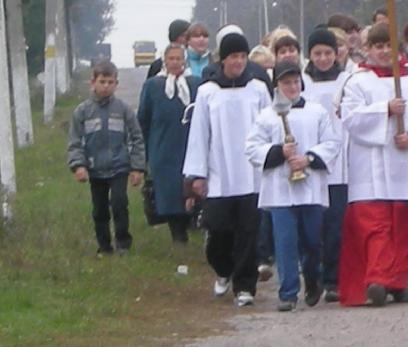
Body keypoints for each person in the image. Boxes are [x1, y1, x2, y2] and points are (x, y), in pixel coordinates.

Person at [338, 23, 408, 306]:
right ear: (368, 49)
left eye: (389, 45)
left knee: (406, 228)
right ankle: (377, 280)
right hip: (372, 168)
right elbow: (350, 119)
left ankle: (398, 280)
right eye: (378, 46)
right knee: (375, 226)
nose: (384, 51)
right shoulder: (357, 81)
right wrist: (385, 110)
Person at [183, 32, 271, 308]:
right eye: (234, 57)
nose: (239, 62)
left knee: (248, 232)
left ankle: (245, 287)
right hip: (219, 172)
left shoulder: (257, 89)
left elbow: (271, 126)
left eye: (243, 57)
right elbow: (199, 134)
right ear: (223, 58)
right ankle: (223, 269)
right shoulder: (208, 92)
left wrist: (272, 160)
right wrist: (196, 175)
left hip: (251, 174)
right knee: (217, 229)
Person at [245, 60, 340, 312]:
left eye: (295, 82)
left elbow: (331, 142)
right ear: (277, 85)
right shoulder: (266, 116)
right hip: (280, 190)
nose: (292, 87)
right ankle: (287, 292)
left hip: (309, 187)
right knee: (285, 241)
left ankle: (312, 278)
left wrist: (307, 158)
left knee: (311, 240)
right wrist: (278, 152)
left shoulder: (316, 111)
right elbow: (252, 147)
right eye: (286, 83)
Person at [68, 61, 146, 255]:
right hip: (95, 169)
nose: (106, 86)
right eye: (102, 81)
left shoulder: (124, 110)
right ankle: (104, 246)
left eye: (110, 82)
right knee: (100, 210)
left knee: (120, 204)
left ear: (116, 84)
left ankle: (123, 243)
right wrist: (78, 165)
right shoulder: (82, 112)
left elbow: (137, 138)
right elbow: (75, 141)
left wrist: (137, 168)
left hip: (119, 167)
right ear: (92, 82)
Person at [301, 28, 350, 302]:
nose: (322, 58)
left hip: (339, 164)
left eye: (328, 53)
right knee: (312, 229)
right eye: (317, 53)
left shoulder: (346, 80)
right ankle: (312, 277)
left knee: (335, 226)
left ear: (336, 54)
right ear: (309, 54)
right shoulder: (302, 82)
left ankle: (334, 279)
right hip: (310, 162)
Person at [137, 44, 199, 243]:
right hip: (163, 146)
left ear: (184, 60)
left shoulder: (195, 84)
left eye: (178, 59)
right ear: (165, 61)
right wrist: (145, 151)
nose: (175, 63)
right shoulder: (153, 86)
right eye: (171, 59)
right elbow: (143, 118)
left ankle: (193, 225)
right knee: (169, 191)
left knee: (189, 187)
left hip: (189, 144)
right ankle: (177, 235)